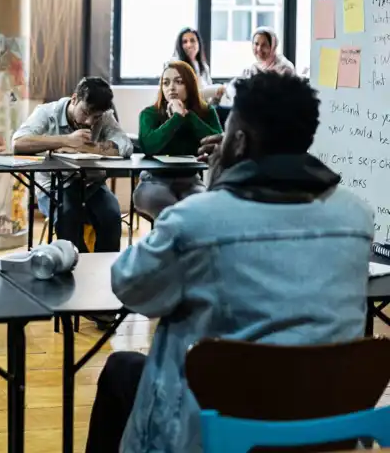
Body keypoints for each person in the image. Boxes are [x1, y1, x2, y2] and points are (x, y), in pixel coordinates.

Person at [85, 72, 373, 453]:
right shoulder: (356, 217)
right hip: (316, 426)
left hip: (216, 429)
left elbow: (131, 288)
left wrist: (220, 182)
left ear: (238, 139)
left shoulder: (195, 219)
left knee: (121, 369)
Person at [12, 77, 133, 253]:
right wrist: (66, 140)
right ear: (74, 98)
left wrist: (89, 147)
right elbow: (17, 143)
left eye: (96, 116)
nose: (89, 122)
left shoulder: (104, 117)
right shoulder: (47, 113)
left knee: (112, 216)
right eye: (85, 113)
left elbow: (125, 144)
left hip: (91, 185)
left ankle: (104, 272)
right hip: (53, 187)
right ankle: (77, 269)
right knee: (67, 216)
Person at [135, 61, 222, 221]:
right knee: (171, 210)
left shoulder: (206, 112)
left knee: (203, 208)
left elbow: (218, 142)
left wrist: (188, 116)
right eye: (166, 83)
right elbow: (148, 147)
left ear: (190, 85)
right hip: (154, 181)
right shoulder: (149, 114)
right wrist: (176, 118)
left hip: (191, 181)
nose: (171, 88)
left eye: (179, 82)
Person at [173, 27, 224, 104]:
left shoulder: (204, 67)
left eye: (192, 41)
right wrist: (216, 89)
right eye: (185, 42)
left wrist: (217, 97)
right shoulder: (176, 66)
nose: (189, 45)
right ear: (180, 46)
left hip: (203, 111)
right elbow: (188, 96)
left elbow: (209, 103)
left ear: (198, 44)